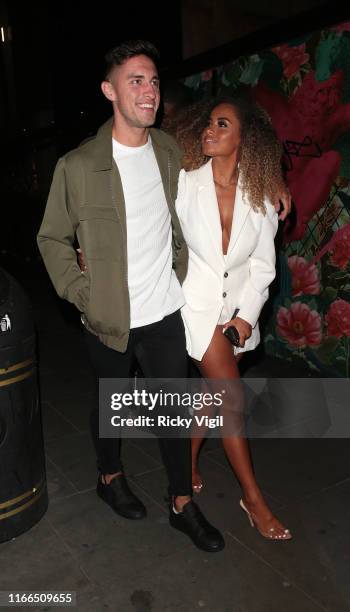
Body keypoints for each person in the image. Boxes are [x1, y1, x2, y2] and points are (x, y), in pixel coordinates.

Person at [37, 40, 226, 553]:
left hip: (165, 309)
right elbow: (51, 238)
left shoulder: (167, 150)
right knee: (110, 401)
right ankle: (108, 476)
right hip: (109, 318)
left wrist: (268, 187)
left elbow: (208, 189)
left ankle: (181, 503)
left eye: (154, 81)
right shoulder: (78, 166)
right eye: (135, 81)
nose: (149, 91)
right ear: (109, 91)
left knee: (171, 410)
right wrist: (82, 292)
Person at [175, 95, 292, 540]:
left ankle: (185, 463)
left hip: (238, 317)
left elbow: (264, 266)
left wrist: (246, 317)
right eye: (209, 123)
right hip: (196, 308)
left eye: (222, 125)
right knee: (231, 399)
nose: (210, 130)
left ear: (246, 139)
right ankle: (253, 500)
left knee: (211, 395)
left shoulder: (260, 197)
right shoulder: (185, 184)